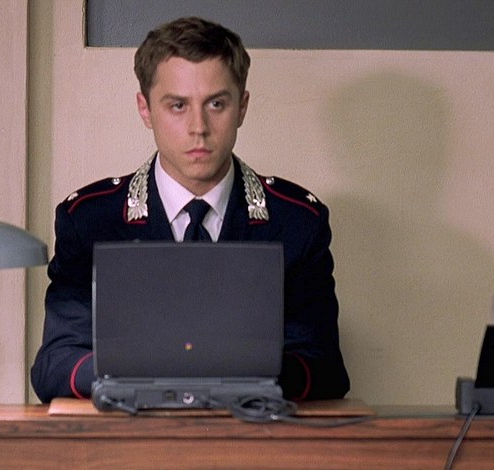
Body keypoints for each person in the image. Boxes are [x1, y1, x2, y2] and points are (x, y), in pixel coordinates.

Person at [31, 16, 350, 402]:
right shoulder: (90, 220)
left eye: (216, 104)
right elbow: (55, 365)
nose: (199, 127)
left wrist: (234, 375)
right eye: (178, 105)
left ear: (242, 107)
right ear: (145, 109)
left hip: (252, 434)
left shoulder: (296, 222)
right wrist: (149, 375)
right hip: (132, 436)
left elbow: (324, 368)